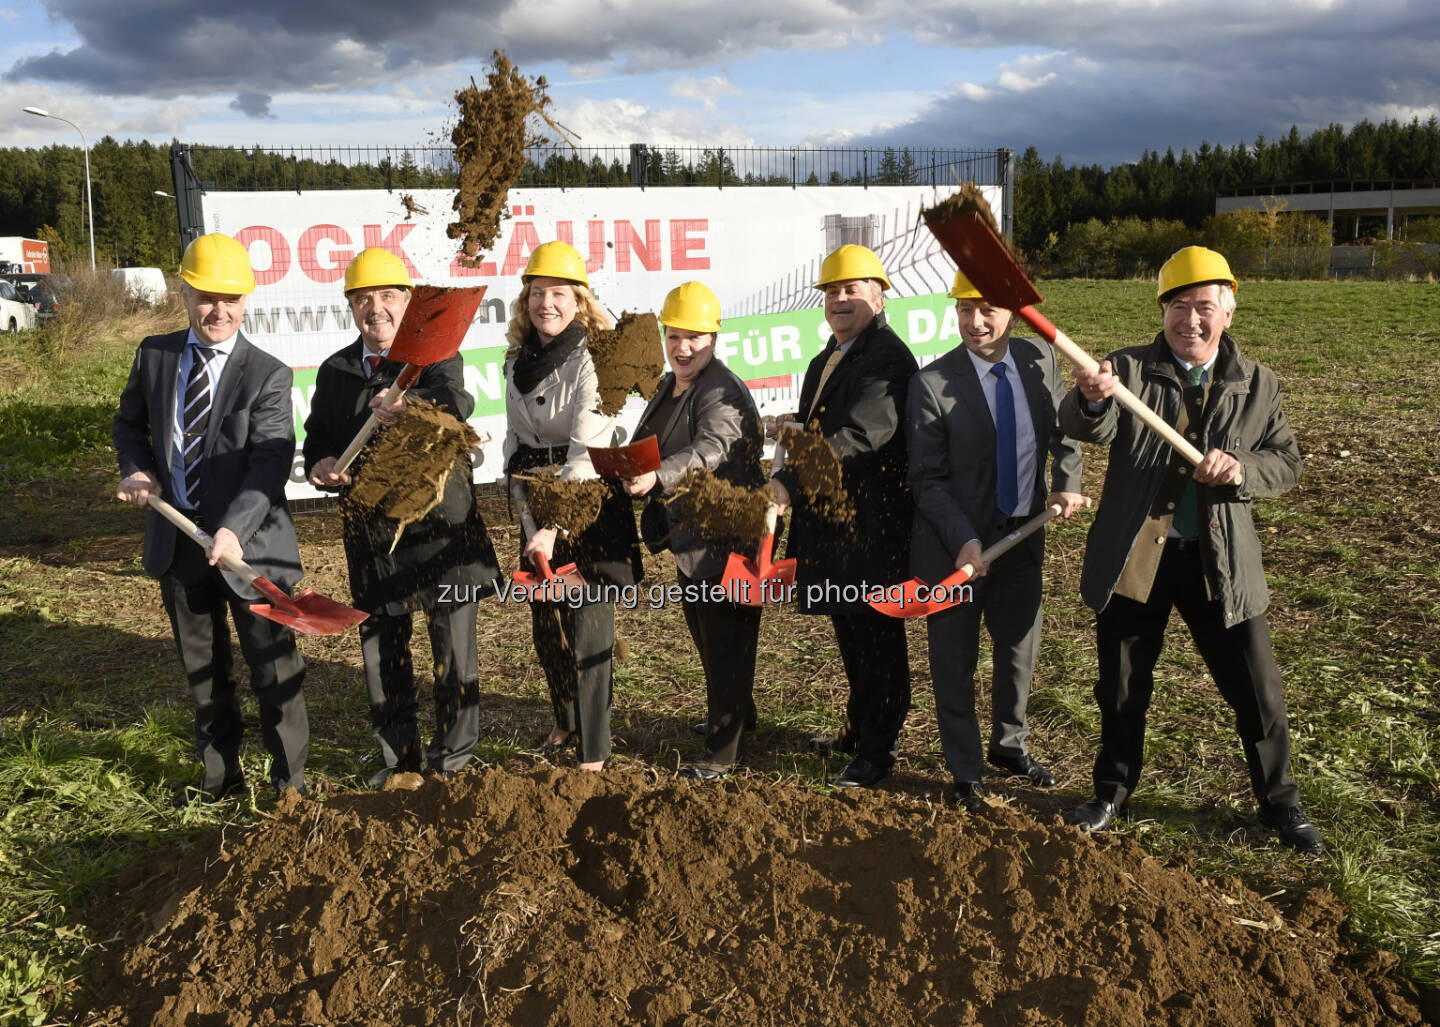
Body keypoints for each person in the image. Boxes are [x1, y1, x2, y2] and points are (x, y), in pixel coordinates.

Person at [1058, 246, 1324, 854]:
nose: (1192, 320)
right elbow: (1084, 424)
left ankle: (1282, 805)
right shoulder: (1124, 369)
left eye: (1205, 306)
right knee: (1122, 686)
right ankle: (1110, 793)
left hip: (1220, 563)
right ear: (1163, 311)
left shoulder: (1258, 384)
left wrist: (1242, 468)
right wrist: (1094, 397)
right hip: (1138, 558)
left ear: (1228, 311)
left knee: (1257, 689)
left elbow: (1286, 464)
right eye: (1179, 306)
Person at [113, 233, 309, 802]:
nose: (218, 311)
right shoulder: (156, 355)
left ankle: (288, 790)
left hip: (250, 549)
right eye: (206, 298)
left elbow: (270, 461)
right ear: (184, 292)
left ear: (246, 300)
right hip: (178, 538)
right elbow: (129, 426)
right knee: (205, 673)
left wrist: (232, 530)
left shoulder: (267, 374)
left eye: (231, 299)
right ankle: (221, 782)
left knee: (273, 671)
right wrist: (139, 470)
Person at [303, 248, 500, 786]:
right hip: (372, 534)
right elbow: (316, 442)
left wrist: (408, 409)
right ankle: (400, 762)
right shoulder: (336, 371)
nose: (377, 309)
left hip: (439, 529)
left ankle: (453, 761)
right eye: (363, 299)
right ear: (350, 307)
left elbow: (456, 402)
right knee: (382, 653)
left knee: (453, 650)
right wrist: (320, 465)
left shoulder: (434, 358)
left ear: (408, 302)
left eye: (388, 296)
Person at [906, 269, 1086, 810]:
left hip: (1024, 536)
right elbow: (927, 481)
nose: (975, 321)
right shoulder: (931, 385)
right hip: (953, 548)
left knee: (1018, 649)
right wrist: (964, 541)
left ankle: (1010, 745)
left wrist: (1065, 484)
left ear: (1013, 313)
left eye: (987, 309)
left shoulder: (1039, 361)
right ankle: (965, 769)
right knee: (953, 660)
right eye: (964, 308)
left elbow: (1064, 433)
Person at [768, 245, 917, 789]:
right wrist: (795, 426)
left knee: (876, 638)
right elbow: (826, 428)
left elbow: (860, 436)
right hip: (834, 525)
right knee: (850, 632)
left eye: (853, 289)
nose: (840, 299)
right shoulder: (828, 356)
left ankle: (880, 750)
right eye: (832, 291)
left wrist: (787, 481)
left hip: (868, 526)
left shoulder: (887, 358)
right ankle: (859, 728)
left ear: (880, 296)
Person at [503, 241, 642, 772]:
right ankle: (564, 720)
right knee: (546, 619)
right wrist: (521, 499)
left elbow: (585, 450)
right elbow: (516, 441)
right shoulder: (516, 359)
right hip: (537, 501)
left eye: (559, 293)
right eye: (538, 293)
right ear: (526, 300)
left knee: (587, 622)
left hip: (587, 502)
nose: (547, 304)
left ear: (578, 299)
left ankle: (595, 751)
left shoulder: (597, 358)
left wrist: (554, 527)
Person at [621, 281, 765, 780]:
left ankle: (723, 754)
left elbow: (712, 446)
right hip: (691, 536)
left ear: (714, 339)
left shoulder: (721, 390)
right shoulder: (670, 384)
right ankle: (737, 715)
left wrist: (657, 474)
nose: (683, 347)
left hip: (727, 534)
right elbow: (649, 437)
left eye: (695, 337)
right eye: (675, 335)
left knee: (727, 639)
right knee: (707, 634)